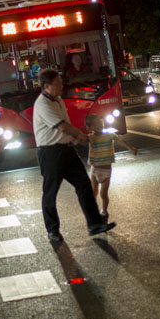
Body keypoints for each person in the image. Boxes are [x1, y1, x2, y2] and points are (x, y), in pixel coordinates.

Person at [32, 69, 115, 243]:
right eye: (58, 83)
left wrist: (75, 139)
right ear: (47, 86)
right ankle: (52, 230)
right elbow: (62, 127)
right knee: (50, 193)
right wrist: (78, 134)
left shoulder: (58, 100)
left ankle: (94, 224)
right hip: (51, 153)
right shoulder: (43, 104)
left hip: (66, 150)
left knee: (84, 185)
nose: (61, 86)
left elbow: (65, 128)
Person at [84, 114, 137, 219]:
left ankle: (104, 211)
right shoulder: (90, 138)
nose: (99, 125)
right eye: (95, 124)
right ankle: (94, 212)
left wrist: (131, 148)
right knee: (93, 193)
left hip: (106, 170)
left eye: (100, 122)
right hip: (95, 170)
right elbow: (79, 140)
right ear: (90, 127)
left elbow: (120, 141)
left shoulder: (109, 135)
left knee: (103, 193)